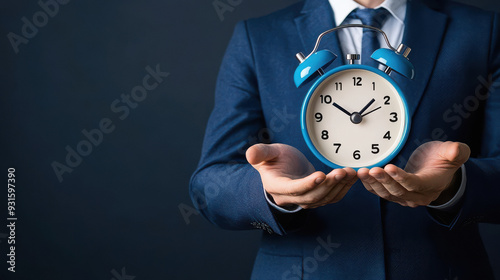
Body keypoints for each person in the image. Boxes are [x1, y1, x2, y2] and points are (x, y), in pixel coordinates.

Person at [190, 0, 500, 279]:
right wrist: (271, 192)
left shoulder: (482, 30)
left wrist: (453, 186)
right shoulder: (259, 36)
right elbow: (209, 186)